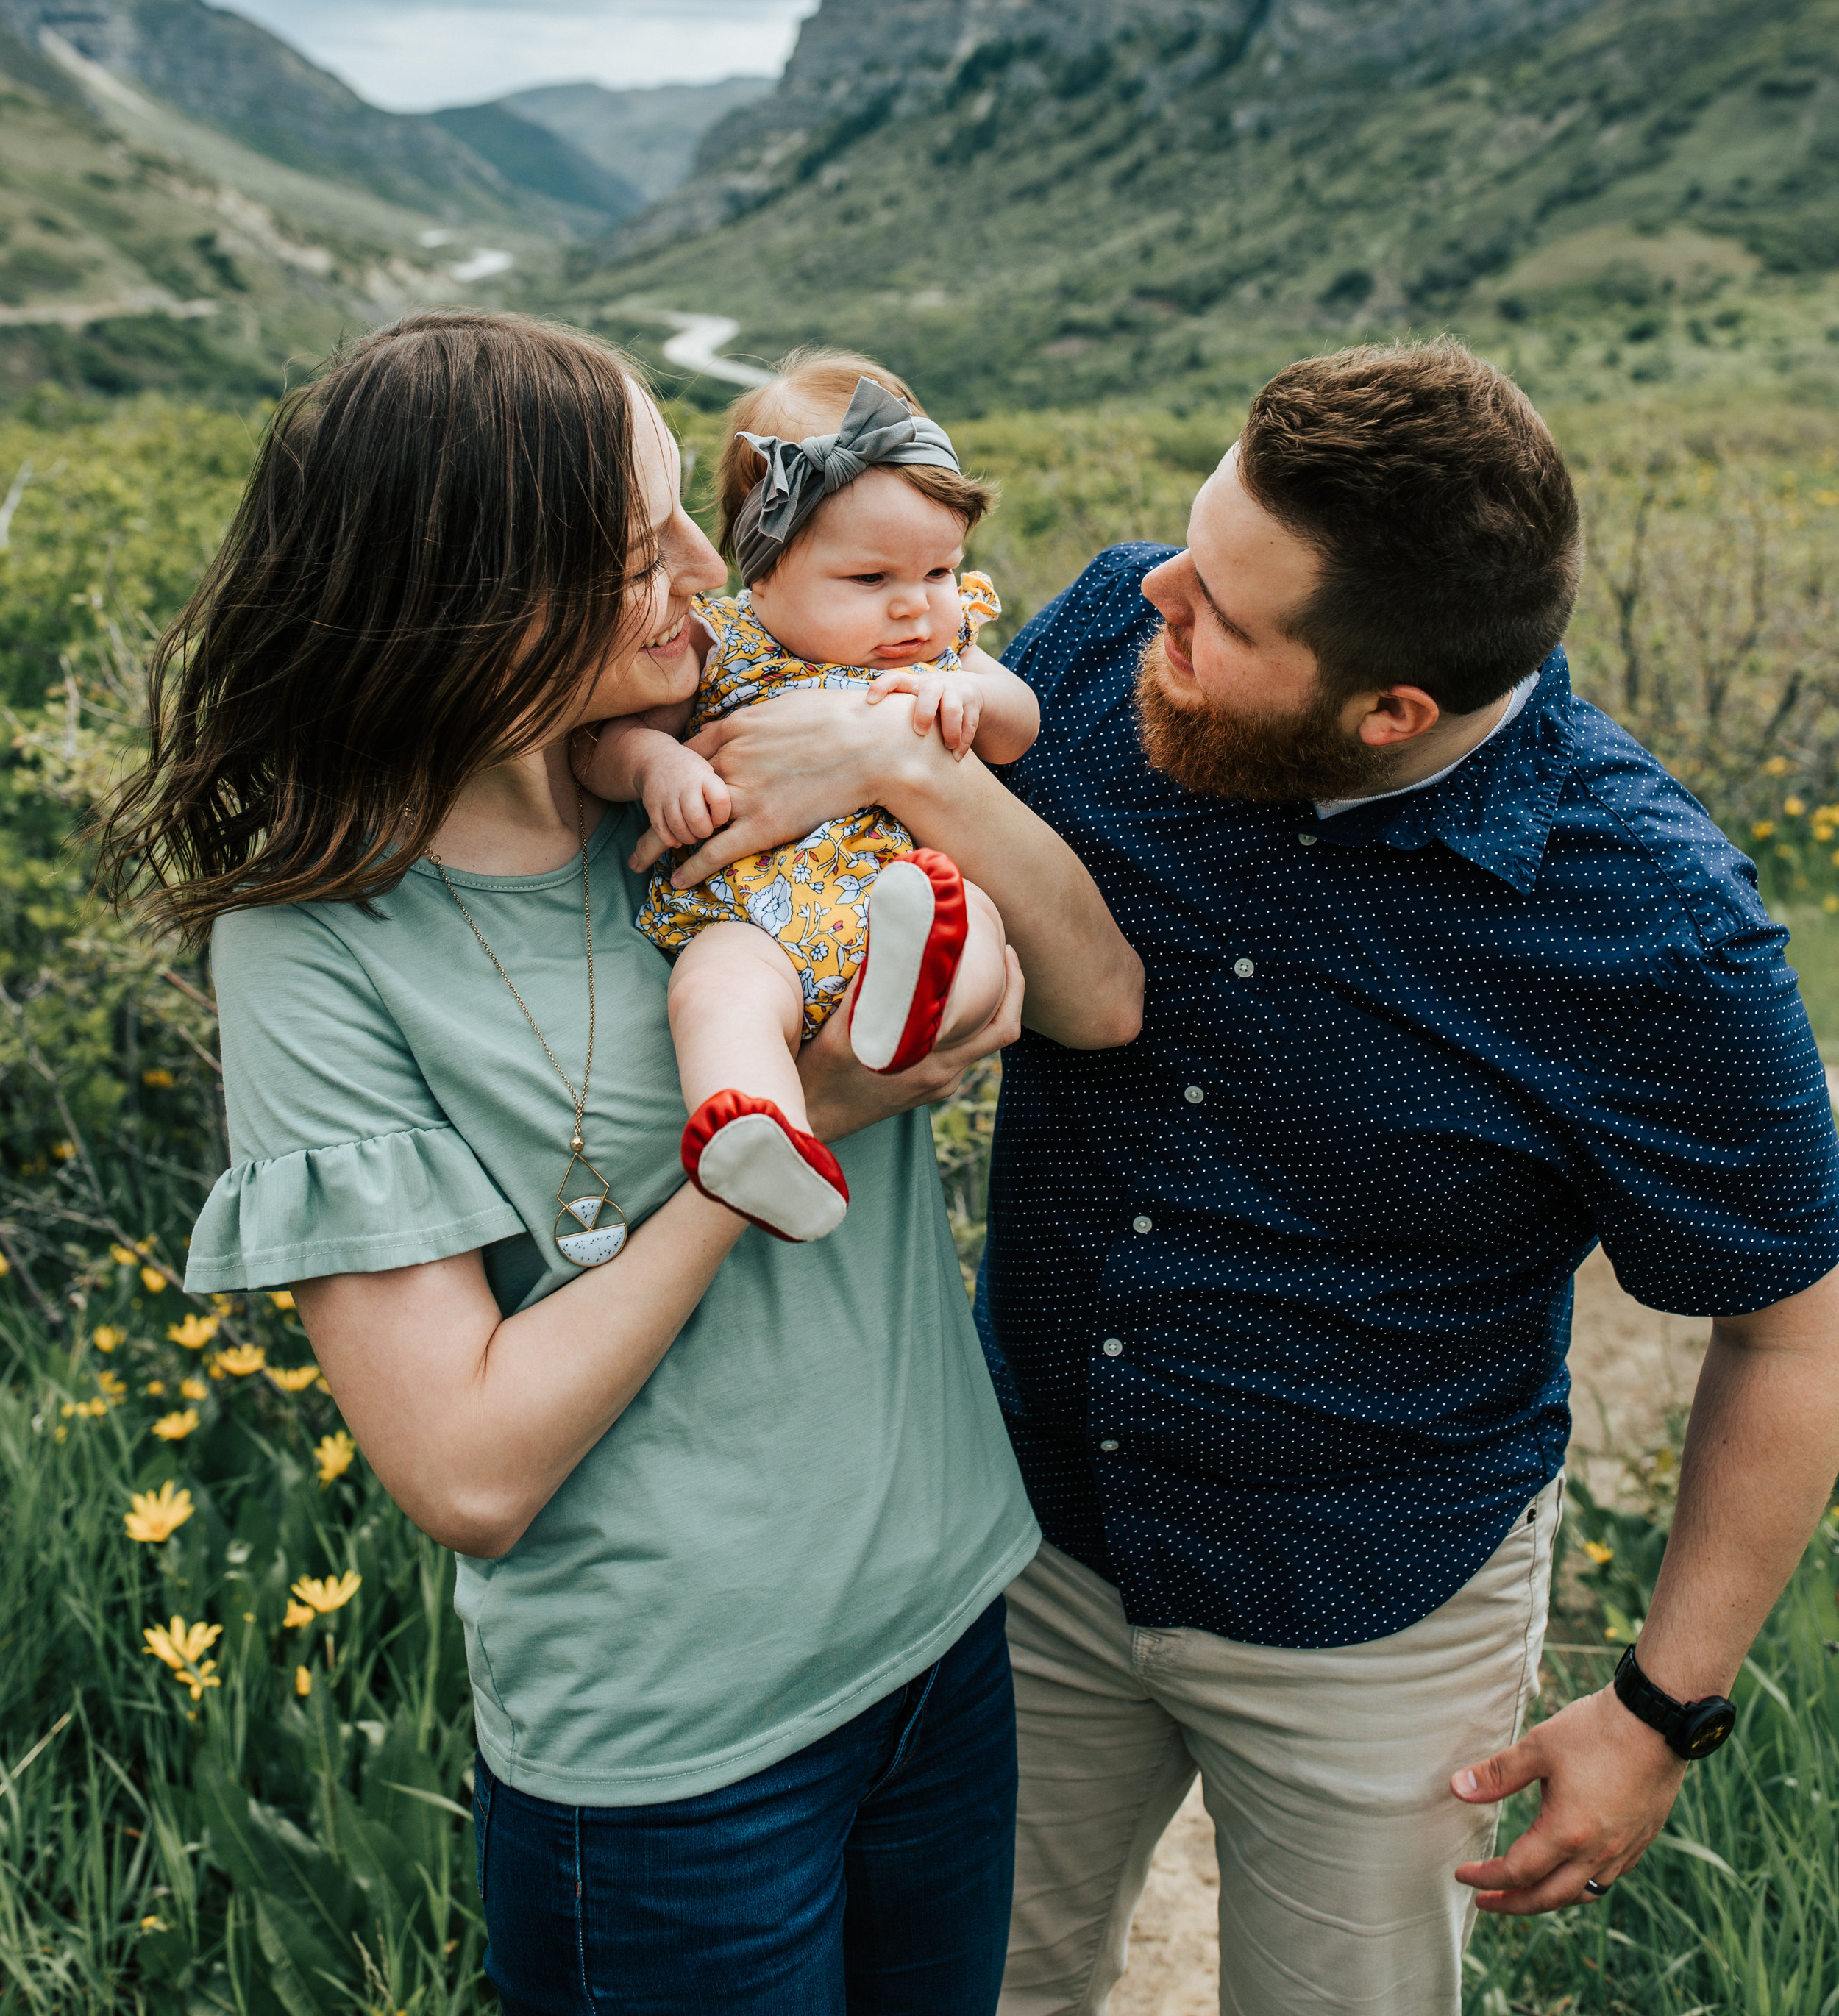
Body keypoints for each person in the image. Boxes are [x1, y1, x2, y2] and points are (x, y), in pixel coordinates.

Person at [99, 312, 1142, 2016]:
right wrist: (794, 1127)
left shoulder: (741, 752)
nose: (692, 566)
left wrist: (893, 755)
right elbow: (470, 1467)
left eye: (682, 513)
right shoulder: (326, 946)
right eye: (631, 540)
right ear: (475, 589)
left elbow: (1097, 998)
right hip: (673, 1750)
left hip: (945, 1619)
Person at [968, 338, 1839, 2016]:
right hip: (1023, 1544)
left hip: (1373, 1612)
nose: (1151, 593)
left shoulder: (1655, 931)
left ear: (1390, 711)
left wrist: (1659, 1708)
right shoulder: (1098, 637)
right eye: (1189, 543)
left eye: (1219, 608)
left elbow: (1793, 1334)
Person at [582, 350, 1040, 1244]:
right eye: (871, 582)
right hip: (756, 923)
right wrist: (654, 767)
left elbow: (1018, 726)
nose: (915, 609)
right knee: (714, 991)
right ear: (763, 572)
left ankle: (910, 1005)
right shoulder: (718, 649)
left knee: (974, 923)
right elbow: (603, 751)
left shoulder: (945, 653)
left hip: (906, 899)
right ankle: (757, 1127)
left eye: (939, 573)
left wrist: (974, 695)